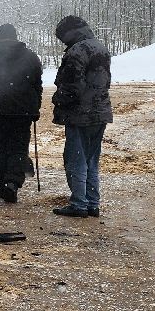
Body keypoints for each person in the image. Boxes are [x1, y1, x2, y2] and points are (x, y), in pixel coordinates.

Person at [51, 16, 112, 218]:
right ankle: (93, 203)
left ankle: (79, 203)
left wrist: (57, 99)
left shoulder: (77, 52)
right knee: (91, 159)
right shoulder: (100, 48)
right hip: (100, 112)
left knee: (76, 160)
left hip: (79, 115)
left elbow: (72, 88)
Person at [0, 23, 45, 203]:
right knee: (18, 147)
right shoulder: (31, 57)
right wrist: (35, 108)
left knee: (0, 148)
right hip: (22, 111)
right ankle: (12, 183)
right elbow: (37, 85)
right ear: (15, 37)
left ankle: (4, 184)